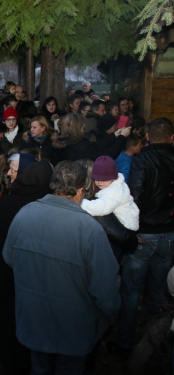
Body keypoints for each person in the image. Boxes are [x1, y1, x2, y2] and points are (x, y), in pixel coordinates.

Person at [3, 161, 120, 374]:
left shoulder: (24, 213)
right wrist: (106, 319)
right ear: (81, 190)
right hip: (73, 329)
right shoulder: (89, 229)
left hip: (33, 320)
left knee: (39, 367)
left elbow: (9, 258)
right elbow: (106, 289)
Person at [112, 118, 174, 354]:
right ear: (171, 138)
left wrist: (131, 230)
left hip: (144, 233)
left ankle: (125, 342)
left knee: (131, 290)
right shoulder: (144, 160)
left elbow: (134, 198)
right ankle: (152, 344)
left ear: (147, 137)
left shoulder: (140, 160)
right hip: (168, 233)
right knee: (159, 290)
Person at [0, 160, 53, 374]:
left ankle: (4, 356)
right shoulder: (47, 206)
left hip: (2, 269)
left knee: (5, 314)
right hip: (33, 276)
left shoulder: (6, 201)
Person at [81, 156, 139, 231]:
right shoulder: (113, 185)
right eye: (96, 179)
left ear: (113, 178)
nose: (99, 182)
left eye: (103, 179)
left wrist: (80, 202)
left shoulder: (114, 191)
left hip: (125, 225)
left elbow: (100, 208)